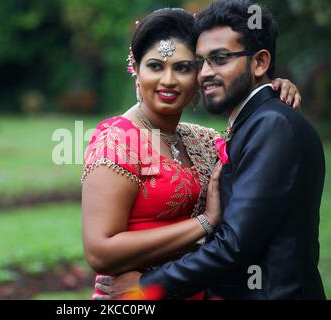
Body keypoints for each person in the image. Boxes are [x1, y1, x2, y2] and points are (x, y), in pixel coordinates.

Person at [94, 0, 326, 300]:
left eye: (220, 59)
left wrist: (148, 285)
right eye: (200, 62)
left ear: (259, 62)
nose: (205, 73)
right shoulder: (252, 123)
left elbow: (235, 246)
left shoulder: (272, 125)